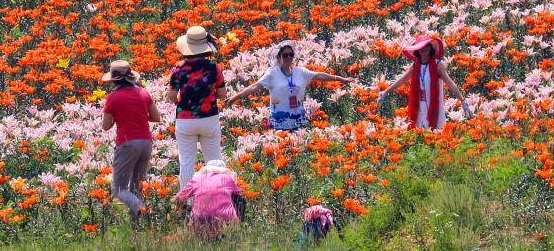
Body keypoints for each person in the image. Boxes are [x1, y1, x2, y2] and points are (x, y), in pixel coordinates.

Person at [227, 41, 355, 131]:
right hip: (279, 121)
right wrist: (236, 97)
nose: (288, 57)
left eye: (291, 54)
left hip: (298, 118)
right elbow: (255, 87)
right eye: (285, 55)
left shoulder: (301, 72)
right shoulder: (272, 73)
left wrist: (341, 79)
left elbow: (320, 76)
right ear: (279, 57)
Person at [167, 26, 226, 191]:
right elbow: (222, 94)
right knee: (214, 159)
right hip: (209, 118)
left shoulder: (179, 68)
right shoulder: (214, 66)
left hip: (185, 120)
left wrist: (182, 102)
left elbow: (171, 95)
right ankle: (218, 196)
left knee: (186, 162)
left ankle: (187, 201)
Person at [101, 60, 161, 222]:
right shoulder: (143, 93)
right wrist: (138, 116)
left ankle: (143, 209)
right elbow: (156, 118)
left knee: (118, 188)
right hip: (146, 142)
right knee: (136, 185)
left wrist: (119, 118)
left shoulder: (113, 98)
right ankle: (137, 223)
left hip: (127, 143)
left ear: (114, 80)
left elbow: (106, 126)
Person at [377, 35, 473, 130]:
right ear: (417, 50)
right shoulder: (415, 65)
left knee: (435, 131)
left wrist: (463, 100)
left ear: (430, 48)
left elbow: (450, 82)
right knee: (419, 130)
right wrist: (385, 92)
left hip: (434, 105)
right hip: (418, 104)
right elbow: (402, 79)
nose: (424, 49)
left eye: (426, 46)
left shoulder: (438, 65)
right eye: (421, 47)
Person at [173, 159, 242, 238]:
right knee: (238, 199)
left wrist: (188, 209)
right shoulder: (228, 179)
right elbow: (239, 196)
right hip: (226, 222)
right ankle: (234, 227)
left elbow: (177, 200)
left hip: (199, 223)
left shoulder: (196, 179)